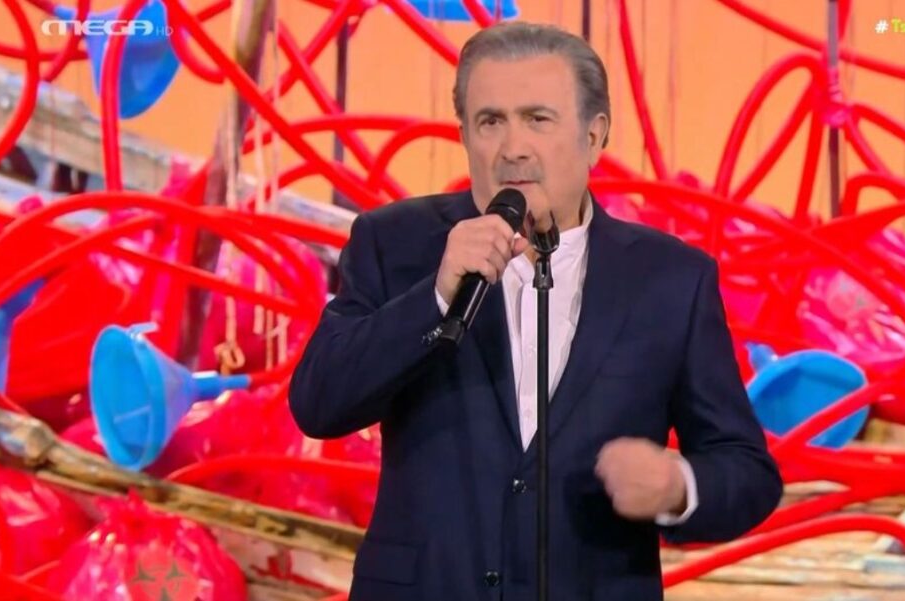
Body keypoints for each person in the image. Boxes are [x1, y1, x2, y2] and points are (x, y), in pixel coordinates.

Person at [290, 21, 782, 601]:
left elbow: (746, 469)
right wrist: (435, 297)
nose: (512, 147)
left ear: (594, 136)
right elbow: (318, 403)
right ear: (465, 135)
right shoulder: (395, 242)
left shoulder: (671, 279)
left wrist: (679, 486)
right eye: (490, 121)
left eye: (538, 119)